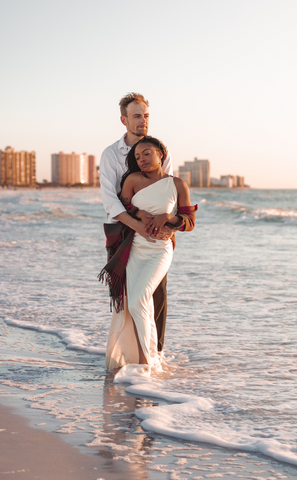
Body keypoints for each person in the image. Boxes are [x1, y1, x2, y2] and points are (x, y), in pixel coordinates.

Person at [103, 136, 197, 372]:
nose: (141, 159)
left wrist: (168, 218)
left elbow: (190, 222)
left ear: (160, 155)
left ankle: (149, 362)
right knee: (133, 304)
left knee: (139, 300)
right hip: (135, 248)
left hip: (159, 250)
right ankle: (145, 359)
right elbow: (123, 207)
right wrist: (141, 213)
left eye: (147, 153)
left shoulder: (177, 184)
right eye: (137, 156)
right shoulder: (132, 180)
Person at [99, 93, 172, 353]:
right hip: (121, 229)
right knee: (126, 294)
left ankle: (156, 355)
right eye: (137, 116)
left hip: (156, 231)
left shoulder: (161, 149)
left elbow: (167, 189)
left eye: (146, 116)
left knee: (157, 292)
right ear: (124, 120)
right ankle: (128, 354)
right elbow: (111, 201)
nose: (143, 121)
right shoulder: (111, 154)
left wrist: (166, 226)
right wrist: (137, 222)